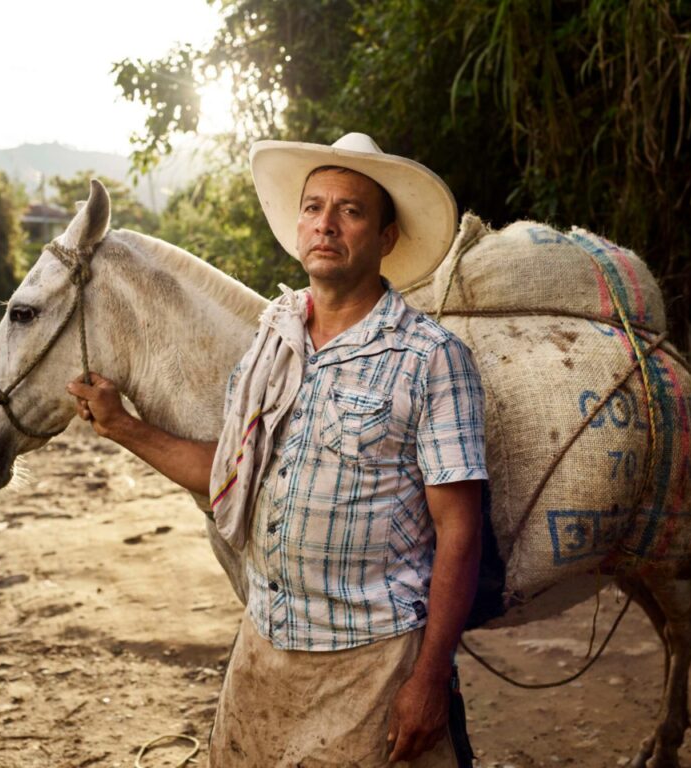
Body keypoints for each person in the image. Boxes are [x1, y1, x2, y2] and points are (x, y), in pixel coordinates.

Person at [67, 133, 487, 766]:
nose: (326, 224)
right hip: (263, 649)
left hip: (370, 663)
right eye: (314, 207)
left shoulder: (430, 358)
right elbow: (227, 481)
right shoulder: (274, 341)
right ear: (298, 227)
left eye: (350, 210)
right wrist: (122, 425)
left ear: (385, 238)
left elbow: (459, 530)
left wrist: (428, 679)